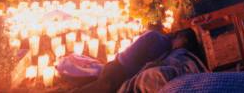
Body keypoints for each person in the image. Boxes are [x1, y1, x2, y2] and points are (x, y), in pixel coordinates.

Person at [75, 28, 207, 93]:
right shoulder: (156, 38)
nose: (183, 46)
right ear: (179, 36)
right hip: (117, 70)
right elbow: (128, 60)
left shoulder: (168, 51)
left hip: (123, 75)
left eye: (187, 45)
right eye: (184, 41)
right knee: (96, 89)